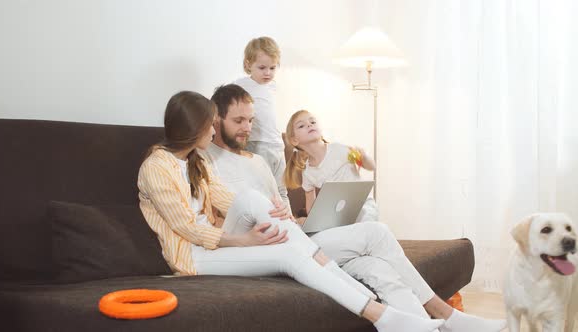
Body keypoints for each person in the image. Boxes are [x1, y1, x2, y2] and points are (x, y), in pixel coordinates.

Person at [137, 90, 446, 332]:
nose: (214, 130)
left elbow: (229, 198)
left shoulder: (194, 161)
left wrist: (271, 213)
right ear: (194, 128)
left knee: (253, 200)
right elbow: (187, 227)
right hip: (194, 255)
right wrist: (244, 241)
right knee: (290, 254)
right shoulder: (156, 167)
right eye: (211, 124)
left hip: (218, 241)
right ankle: (382, 314)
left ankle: (375, 307)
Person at [204, 88, 506, 332]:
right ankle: (447, 315)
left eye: (251, 120)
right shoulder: (204, 159)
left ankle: (430, 327)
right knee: (376, 233)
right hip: (257, 248)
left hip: (293, 237)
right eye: (238, 121)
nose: (247, 128)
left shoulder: (257, 161)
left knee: (379, 268)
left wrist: (295, 218)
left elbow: (280, 200)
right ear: (216, 121)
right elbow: (212, 217)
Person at [232, 36, 288, 207]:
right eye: (262, 67)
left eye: (272, 68)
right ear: (248, 64)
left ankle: (290, 222)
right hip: (257, 144)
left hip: (277, 145)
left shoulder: (272, 86)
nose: (268, 73)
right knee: (262, 189)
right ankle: (268, 222)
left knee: (282, 190)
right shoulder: (241, 85)